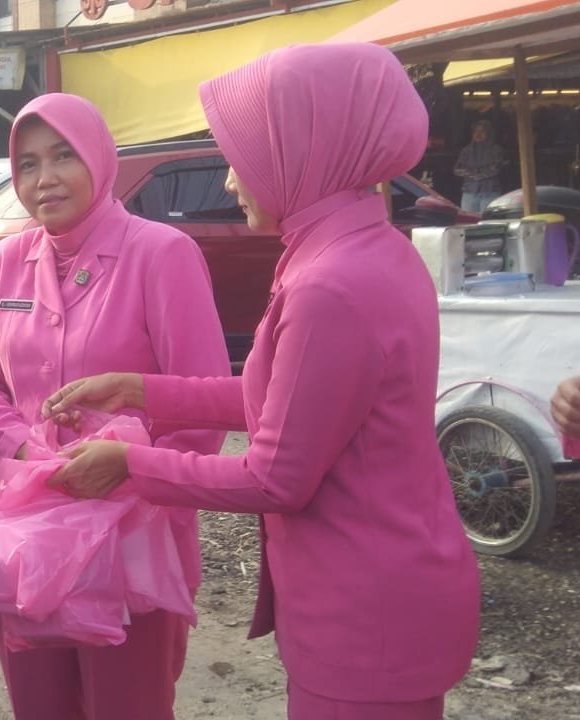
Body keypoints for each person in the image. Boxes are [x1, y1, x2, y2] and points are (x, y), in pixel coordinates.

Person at [47, 43, 481, 718]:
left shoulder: (331, 284)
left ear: (306, 150)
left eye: (241, 158)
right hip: (393, 580)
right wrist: (138, 389)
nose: (228, 182)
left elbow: (276, 477)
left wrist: (129, 465)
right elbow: (284, 400)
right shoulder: (369, 248)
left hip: (364, 612)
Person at [0, 93, 230, 719]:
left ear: (99, 158)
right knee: (40, 704)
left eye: (63, 156)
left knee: (128, 704)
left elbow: (204, 400)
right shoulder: (5, 262)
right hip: (28, 527)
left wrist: (137, 470)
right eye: (27, 164)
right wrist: (28, 454)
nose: (44, 179)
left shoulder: (160, 253)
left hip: (134, 535)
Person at [454, 119, 506, 214]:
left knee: (487, 221)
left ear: (489, 133)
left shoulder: (496, 150)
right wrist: (476, 173)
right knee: (468, 220)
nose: (478, 134)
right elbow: (457, 169)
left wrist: (474, 173)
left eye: (482, 131)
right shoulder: (466, 150)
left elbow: (496, 168)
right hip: (469, 192)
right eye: (476, 131)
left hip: (490, 192)